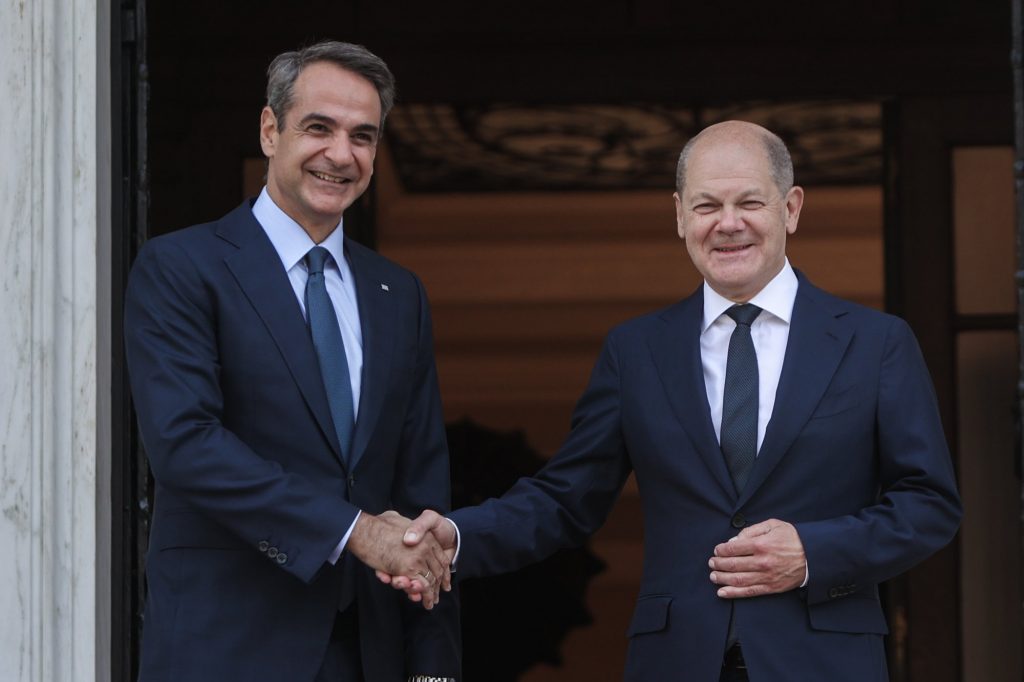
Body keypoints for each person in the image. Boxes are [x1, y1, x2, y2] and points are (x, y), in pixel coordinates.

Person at [387, 120, 962, 681]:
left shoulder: (875, 343)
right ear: (681, 216)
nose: (728, 224)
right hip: (678, 657)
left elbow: (928, 503)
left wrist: (813, 552)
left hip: (824, 658)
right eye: (707, 206)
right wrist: (457, 537)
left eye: (750, 203)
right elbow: (567, 498)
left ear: (790, 209)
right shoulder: (637, 350)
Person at [124, 41, 459, 682]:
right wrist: (354, 530)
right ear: (270, 130)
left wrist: (433, 671)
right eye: (319, 128)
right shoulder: (181, 268)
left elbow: (423, 499)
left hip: (368, 652)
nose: (341, 154)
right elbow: (186, 445)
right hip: (227, 650)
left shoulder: (398, 294)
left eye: (362, 136)